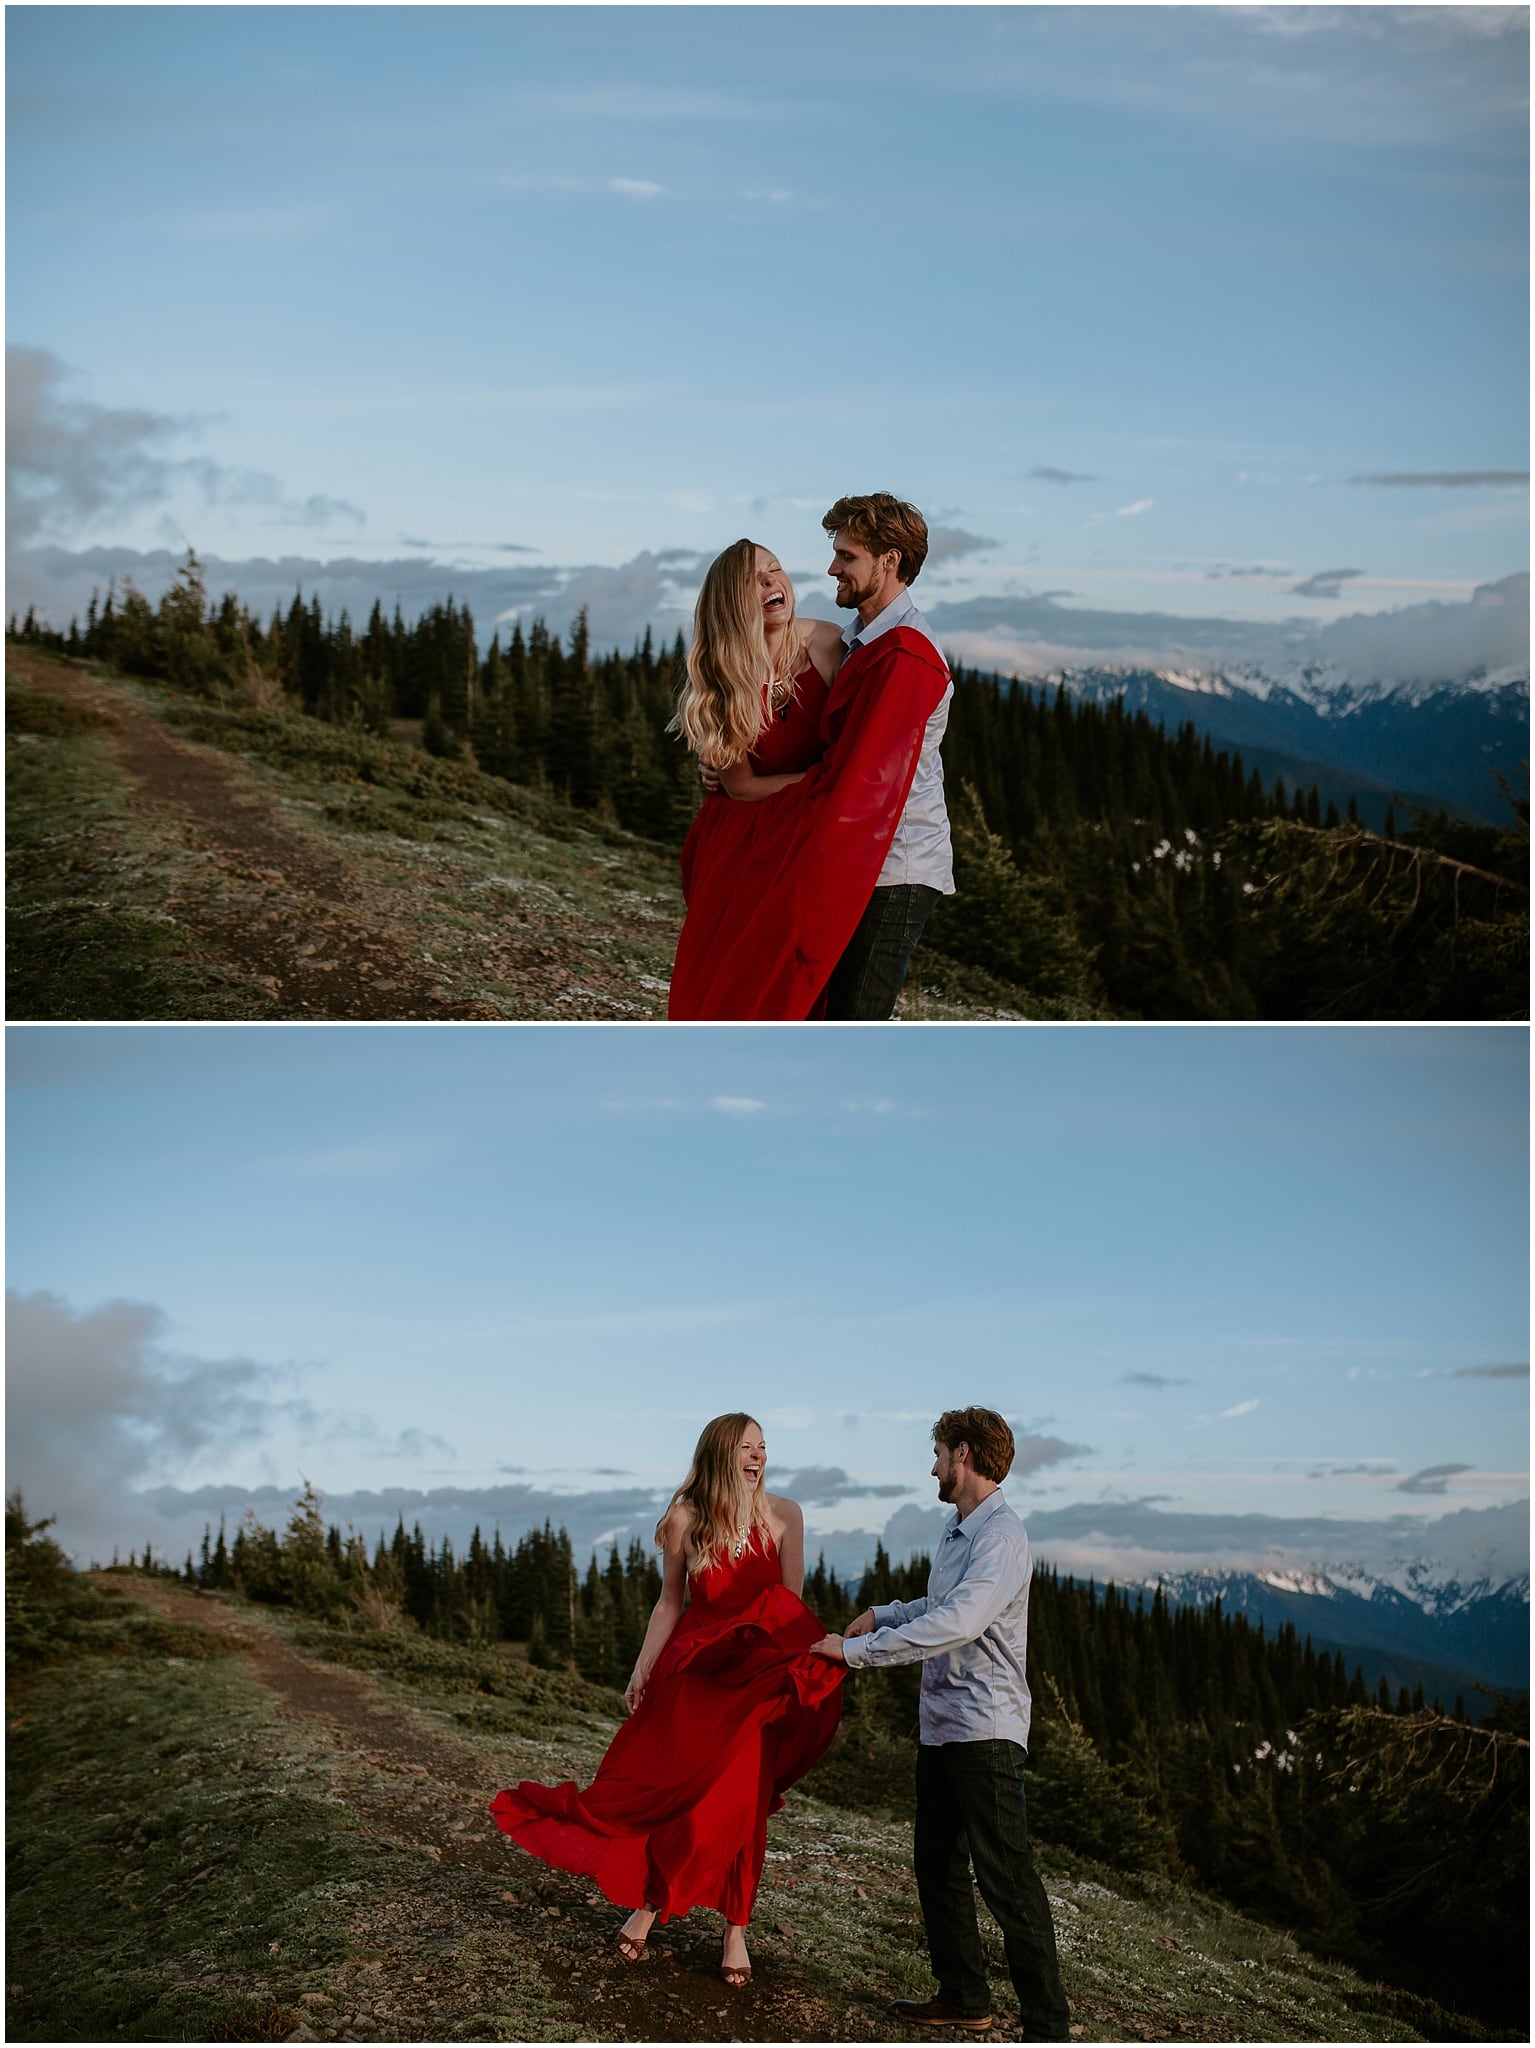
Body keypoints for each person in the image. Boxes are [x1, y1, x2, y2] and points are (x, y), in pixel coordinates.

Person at [489, 1414, 843, 1990]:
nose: (758, 1458)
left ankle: (735, 1931)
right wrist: (643, 1666)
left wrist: (793, 1673)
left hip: (754, 1683)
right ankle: (650, 1905)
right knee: (681, 1796)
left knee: (741, 1803)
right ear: (719, 1455)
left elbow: (791, 1608)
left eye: (763, 1448)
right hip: (694, 1680)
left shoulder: (786, 1516)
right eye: (746, 1449)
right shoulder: (686, 1519)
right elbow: (668, 1603)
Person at [810, 1409, 1071, 2040]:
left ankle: (1047, 2026)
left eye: (937, 1454)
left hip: (985, 1731)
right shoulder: (959, 1529)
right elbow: (942, 1605)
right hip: (946, 1727)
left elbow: (960, 1623)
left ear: (965, 1454)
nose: (931, 1466)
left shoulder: (1003, 1535)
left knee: (1006, 1877)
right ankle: (964, 1996)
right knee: (938, 1865)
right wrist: (884, 1612)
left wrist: (853, 1653)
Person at [667, 494, 953, 1020]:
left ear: (887, 562)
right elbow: (774, 770)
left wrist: (760, 786)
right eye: (755, 579)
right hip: (776, 848)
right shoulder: (862, 641)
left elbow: (860, 779)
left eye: (845, 556)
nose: (829, 568)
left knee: (830, 1012)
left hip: (868, 856)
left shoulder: (868, 650)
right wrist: (722, 771)